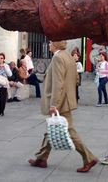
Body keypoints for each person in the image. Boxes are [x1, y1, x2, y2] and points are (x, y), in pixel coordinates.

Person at [28, 41, 98, 172]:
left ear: (56, 45)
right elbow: (76, 79)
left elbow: (58, 83)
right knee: (52, 127)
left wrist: (54, 104)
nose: (49, 45)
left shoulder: (58, 58)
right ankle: (41, 158)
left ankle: (89, 158)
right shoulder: (68, 56)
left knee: (69, 131)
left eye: (50, 43)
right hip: (66, 99)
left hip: (60, 101)